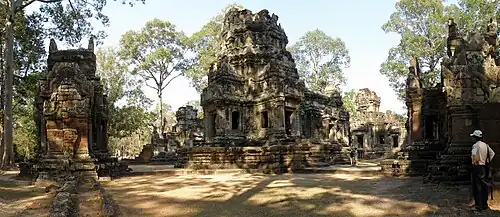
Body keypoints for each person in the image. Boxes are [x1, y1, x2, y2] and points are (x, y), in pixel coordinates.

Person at [470, 130, 495, 211]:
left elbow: (473, 156)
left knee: (477, 187)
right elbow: (492, 153)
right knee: (484, 185)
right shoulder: (486, 145)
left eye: (473, 137)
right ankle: (484, 204)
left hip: (477, 167)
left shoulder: (475, 146)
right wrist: (487, 161)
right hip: (484, 167)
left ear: (475, 137)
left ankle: (478, 205)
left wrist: (474, 163)